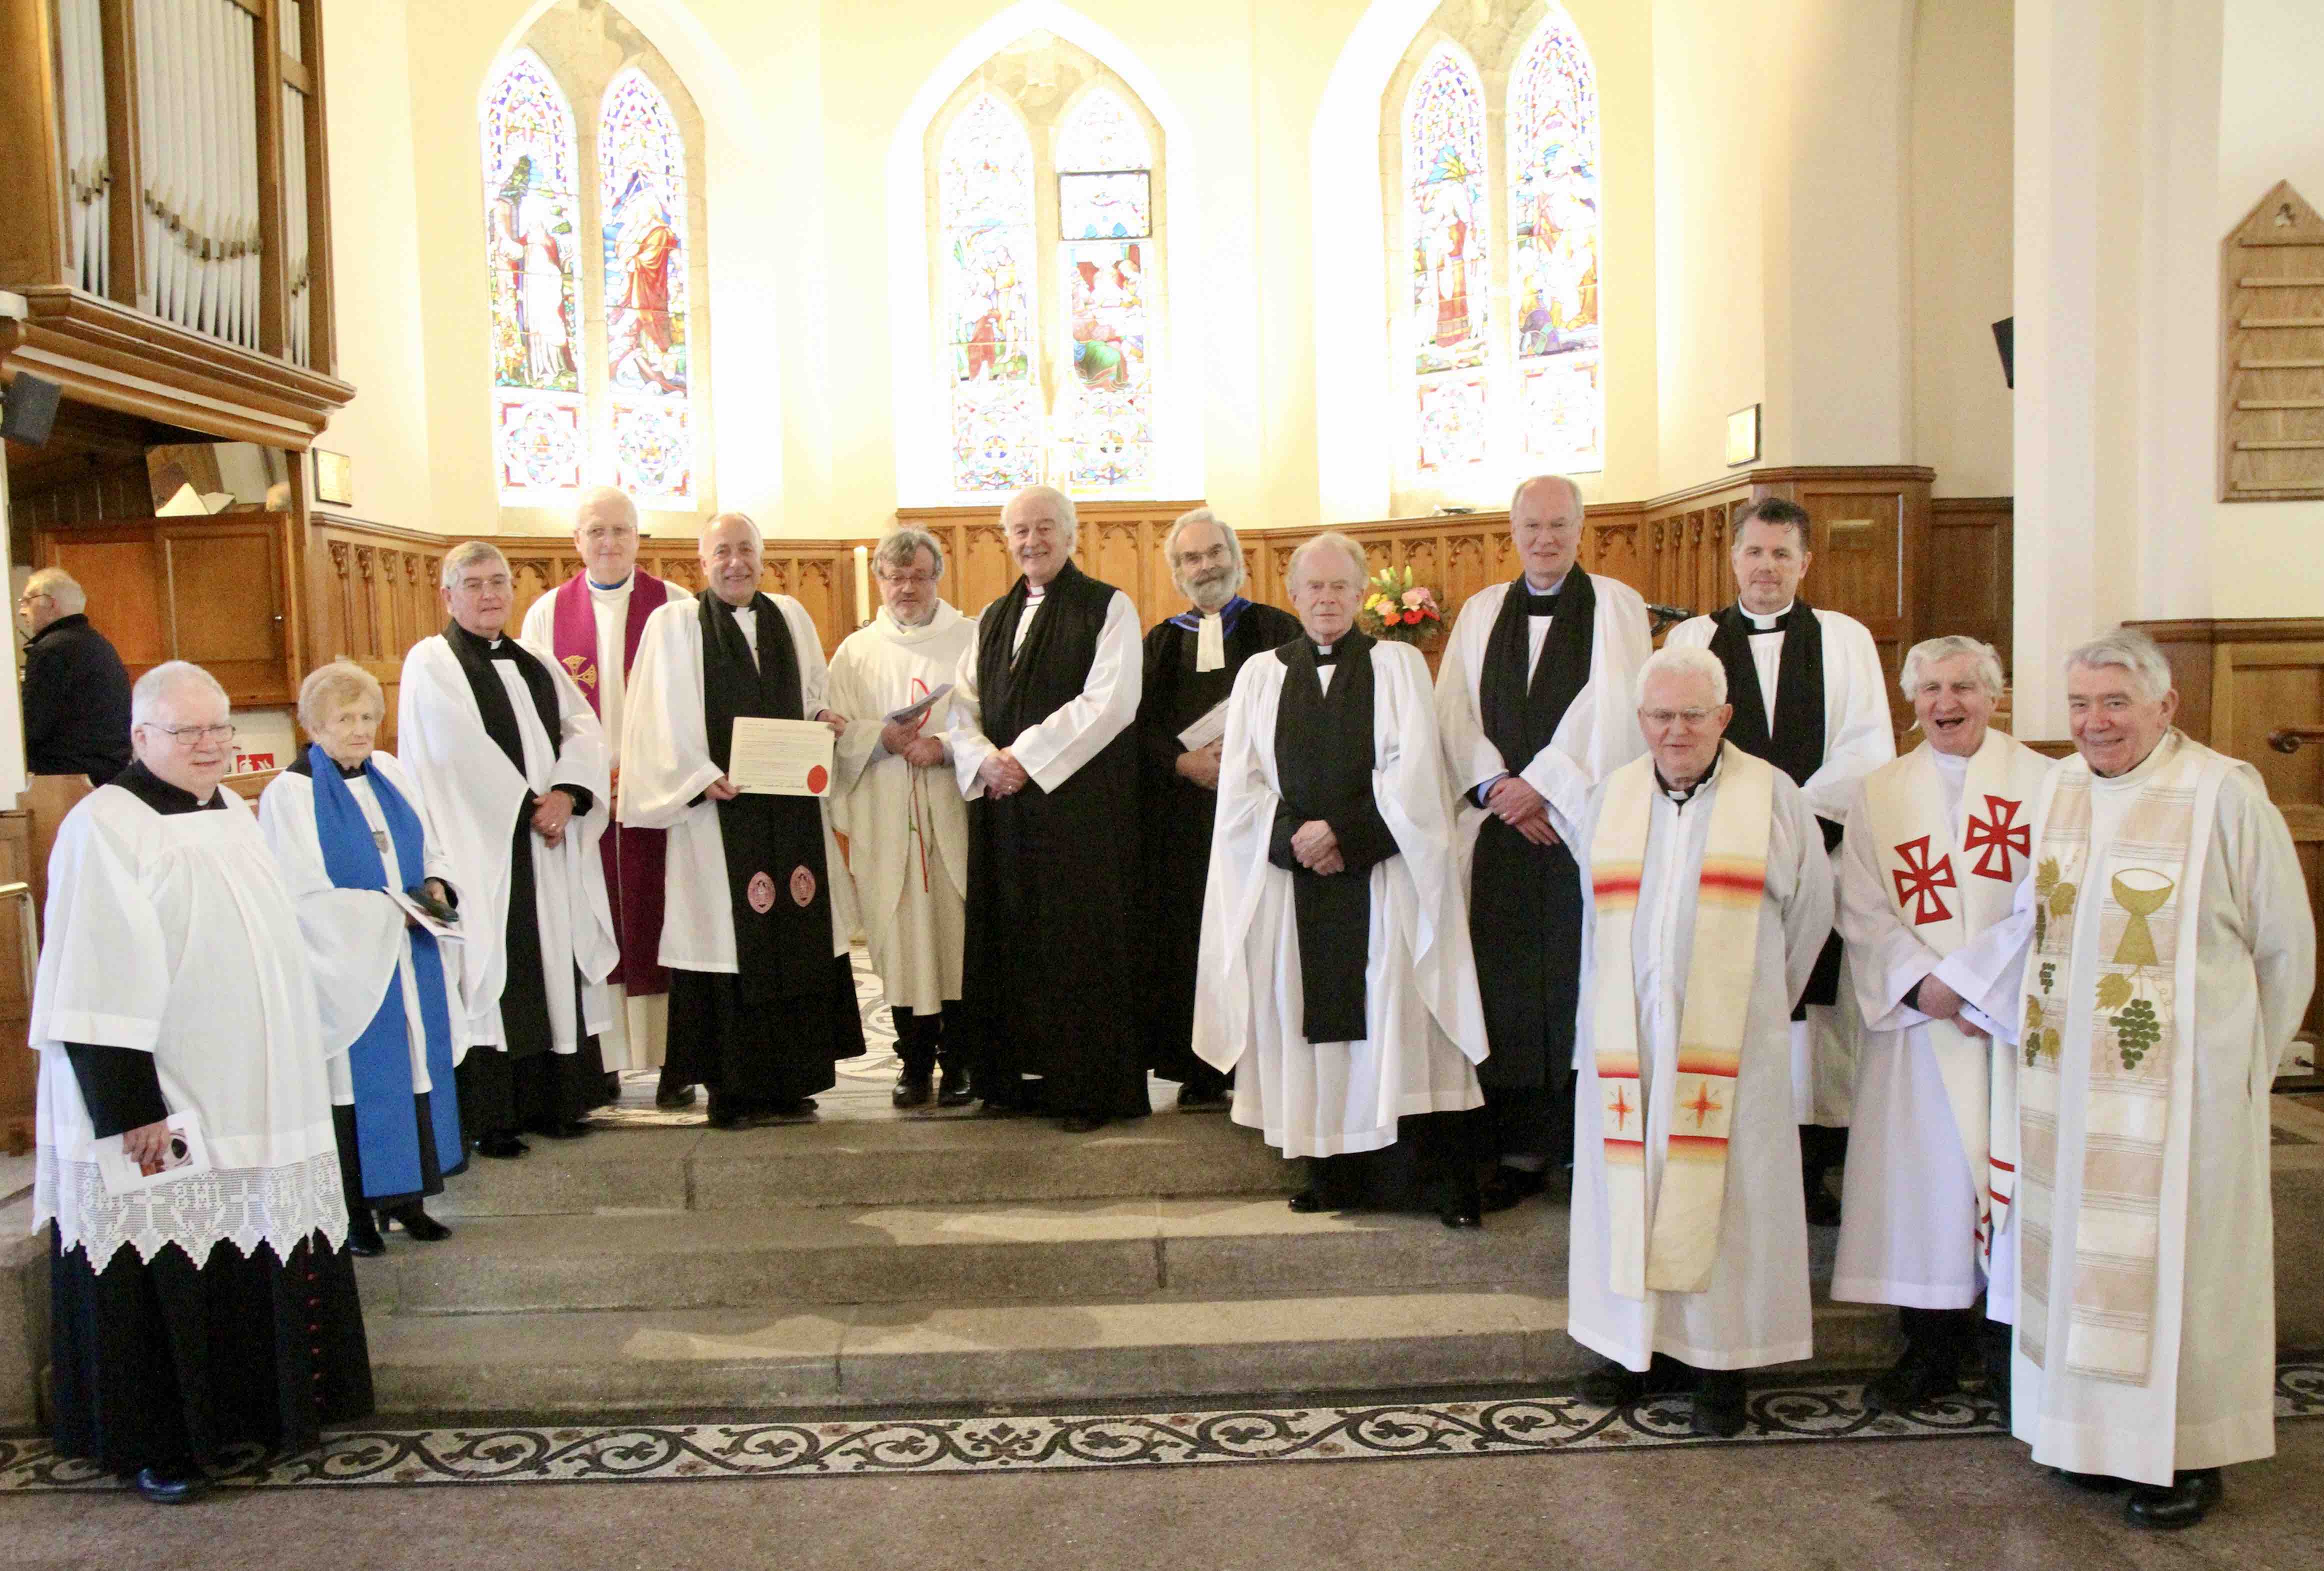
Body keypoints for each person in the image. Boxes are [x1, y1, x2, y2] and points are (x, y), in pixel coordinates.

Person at [1972, 630, 2312, 1529]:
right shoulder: (2059, 788)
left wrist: (2235, 1070)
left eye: (2115, 702)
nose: (2093, 722)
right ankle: (2084, 1438)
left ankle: (2184, 1452)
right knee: (2077, 1261)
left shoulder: (2220, 795)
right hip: (2067, 1092)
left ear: (2165, 706)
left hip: (2182, 1098)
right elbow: (2034, 926)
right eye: (2078, 704)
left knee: (2176, 1271)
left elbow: (2285, 950)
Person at [30, 662, 370, 1504]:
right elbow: (89, 976)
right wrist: (131, 1112)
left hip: (249, 1096)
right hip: (161, 1099)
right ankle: (164, 1444)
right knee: (160, 1259)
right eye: (190, 732)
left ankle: (250, 1416)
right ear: (141, 737)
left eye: (221, 728)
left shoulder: (233, 813)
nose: (212, 745)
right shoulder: (105, 826)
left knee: (241, 1250)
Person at [1568, 646, 1835, 1437]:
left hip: (1729, 1044)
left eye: (1692, 715)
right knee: (1632, 1189)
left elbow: (1810, 916)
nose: (1675, 730)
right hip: (1630, 1044)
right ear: (1640, 720)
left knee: (1732, 1203)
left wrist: (1748, 1009)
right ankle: (1632, 1348)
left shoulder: (1774, 796)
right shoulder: (1611, 794)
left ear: (1724, 717)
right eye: (1660, 715)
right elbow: (1595, 919)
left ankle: (1721, 1367)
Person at [1192, 532, 1486, 1228]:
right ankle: (1334, 1171)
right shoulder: (1262, 674)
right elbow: (1241, 786)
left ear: (1362, 596)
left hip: (1384, 880)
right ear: (1292, 597)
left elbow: (1415, 775)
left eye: (1339, 588)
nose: (1326, 599)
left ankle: (1431, 1182)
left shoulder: (1399, 665)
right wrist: (1296, 836)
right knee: (1309, 1021)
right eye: (1313, 588)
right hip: (1296, 886)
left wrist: (1345, 836)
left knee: (1401, 1018)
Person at [1828, 637, 2050, 1416]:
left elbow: (2048, 902)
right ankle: (1928, 1346)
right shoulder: (1881, 791)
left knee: (2010, 1180)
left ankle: (2007, 1353)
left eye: (1963, 686)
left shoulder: (2048, 785)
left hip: (2004, 1027)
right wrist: (1925, 987)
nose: (1945, 702)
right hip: (1921, 1026)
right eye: (1929, 688)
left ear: (1997, 695)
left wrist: (1977, 989)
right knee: (1923, 1186)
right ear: (1910, 699)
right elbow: (1860, 904)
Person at [1664, 498, 1894, 1224]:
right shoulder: (1693, 641)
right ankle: (1729, 1155)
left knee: (1819, 1017)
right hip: (1718, 853)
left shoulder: (1844, 638)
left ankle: (1814, 1166)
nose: (1767, 567)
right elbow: (1672, 735)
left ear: (1806, 563)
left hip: (1819, 846)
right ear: (1732, 560)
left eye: (1782, 554)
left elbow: (1866, 744)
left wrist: (1788, 818)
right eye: (1755, 552)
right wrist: (1739, 820)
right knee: (1729, 994)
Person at [1436, 475, 1652, 1210]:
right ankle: (1514, 1148)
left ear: (1582, 527)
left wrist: (1549, 787)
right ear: (1512, 529)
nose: (1545, 538)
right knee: (1502, 980)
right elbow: (1454, 712)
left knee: (1575, 978)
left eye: (1559, 524)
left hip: (1576, 830)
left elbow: (1616, 706)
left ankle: (1576, 1145)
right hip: (1500, 829)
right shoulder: (1480, 610)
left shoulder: (1616, 604)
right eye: (1532, 525)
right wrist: (1498, 786)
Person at [620, 514, 866, 1130]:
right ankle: (731, 1088)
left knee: (796, 923)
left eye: (747, 551)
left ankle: (790, 1081)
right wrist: (696, 775)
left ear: (764, 557)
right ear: (702, 561)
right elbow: (652, 716)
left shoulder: (792, 615)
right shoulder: (674, 625)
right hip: (716, 816)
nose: (736, 562)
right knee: (727, 940)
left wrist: (824, 717)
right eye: (722, 552)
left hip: (790, 811)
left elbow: (812, 690)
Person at [397, 542, 620, 1158]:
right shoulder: (432, 662)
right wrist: (531, 807)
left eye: (498, 582)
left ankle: (557, 1101)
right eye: (474, 584)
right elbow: (453, 749)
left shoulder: (536, 659)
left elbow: (583, 729)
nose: (490, 594)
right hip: (482, 844)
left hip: (547, 841)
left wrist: (569, 795)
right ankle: (494, 1116)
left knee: (554, 959)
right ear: (448, 596)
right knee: (498, 966)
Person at [942, 484, 1146, 1133]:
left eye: (1045, 527)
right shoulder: (992, 616)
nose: (1032, 540)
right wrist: (983, 760)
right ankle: (1010, 1078)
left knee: (1075, 943)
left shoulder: (1108, 606)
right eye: (1020, 531)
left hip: (1075, 812)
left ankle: (1085, 1088)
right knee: (1010, 938)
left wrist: (1023, 758)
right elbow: (960, 702)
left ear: (1072, 533)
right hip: (1004, 810)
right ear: (1007, 540)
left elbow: (1110, 702)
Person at [259, 662, 466, 1256]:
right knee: (354, 1088)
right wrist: (386, 912)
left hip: (408, 957)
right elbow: (299, 894)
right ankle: (353, 1215)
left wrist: (435, 885)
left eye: (369, 717)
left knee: (415, 1073)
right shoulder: (291, 795)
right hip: (347, 971)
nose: (360, 729)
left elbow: (432, 844)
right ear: (314, 724)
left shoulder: (392, 775)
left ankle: (410, 1203)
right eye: (345, 719)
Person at [519, 486, 687, 1106]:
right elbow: (545, 718)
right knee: (595, 923)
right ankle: (606, 1061)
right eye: (597, 531)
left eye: (621, 530)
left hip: (660, 800)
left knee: (669, 921)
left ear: (640, 537)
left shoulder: (674, 606)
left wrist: (647, 773)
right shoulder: (546, 615)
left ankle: (677, 1062)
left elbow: (688, 707)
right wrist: (586, 780)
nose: (610, 542)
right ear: (576, 541)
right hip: (590, 807)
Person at [1136, 508, 1300, 1111]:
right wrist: (1184, 764)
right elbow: (1137, 727)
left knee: (1257, 933)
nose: (1205, 566)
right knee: (1190, 937)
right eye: (1190, 559)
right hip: (1182, 821)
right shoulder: (1159, 642)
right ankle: (1198, 1066)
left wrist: (1239, 766)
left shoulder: (1280, 629)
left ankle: (1260, 1059)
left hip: (1259, 813)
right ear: (1177, 572)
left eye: (1213, 553)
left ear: (1238, 558)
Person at [828, 528, 978, 1109]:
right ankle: (913, 1062)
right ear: (880, 582)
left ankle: (960, 1060)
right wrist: (883, 738)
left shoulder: (969, 638)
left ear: (938, 576)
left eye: (918, 575)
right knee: (898, 939)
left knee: (955, 935)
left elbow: (990, 715)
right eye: (894, 578)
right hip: (886, 816)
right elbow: (834, 728)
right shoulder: (855, 652)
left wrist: (941, 742)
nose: (906, 588)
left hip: (952, 812)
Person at [16, 566, 132, 784]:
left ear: (51, 603)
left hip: (67, 781)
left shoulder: (52, 650)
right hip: (109, 774)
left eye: (27, 601)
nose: (23, 611)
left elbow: (33, 728)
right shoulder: (99, 644)